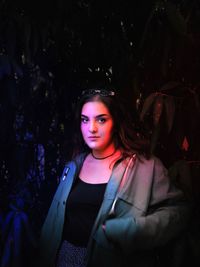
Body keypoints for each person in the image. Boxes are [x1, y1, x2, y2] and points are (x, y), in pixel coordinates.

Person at [37, 88, 190, 267]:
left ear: (115, 122)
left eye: (101, 120)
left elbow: (180, 211)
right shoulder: (73, 166)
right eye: (85, 120)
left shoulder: (144, 167)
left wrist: (132, 230)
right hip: (65, 258)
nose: (91, 128)